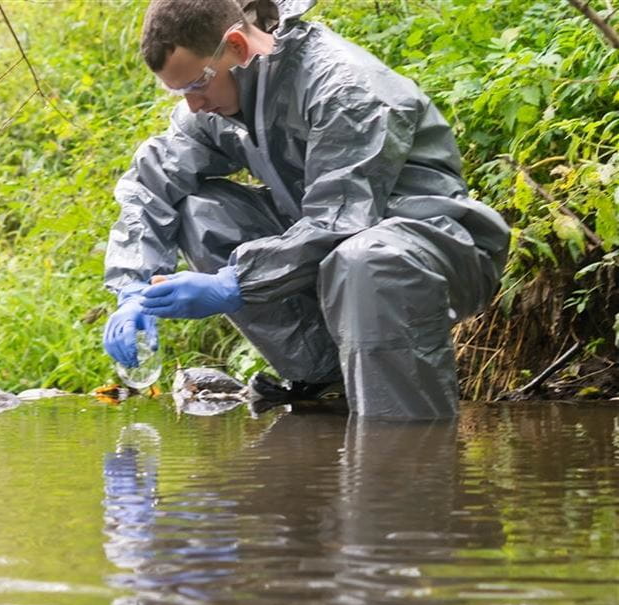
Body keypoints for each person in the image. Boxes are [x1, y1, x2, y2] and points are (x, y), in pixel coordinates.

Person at [102, 0, 510, 419]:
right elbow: (149, 182)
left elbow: (340, 221)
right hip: (333, 248)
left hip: (431, 248)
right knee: (201, 211)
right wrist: (132, 289)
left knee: (365, 259)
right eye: (178, 91)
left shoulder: (344, 88)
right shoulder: (224, 93)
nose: (192, 105)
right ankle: (326, 379)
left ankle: (403, 441)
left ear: (238, 47)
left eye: (195, 86)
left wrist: (234, 282)